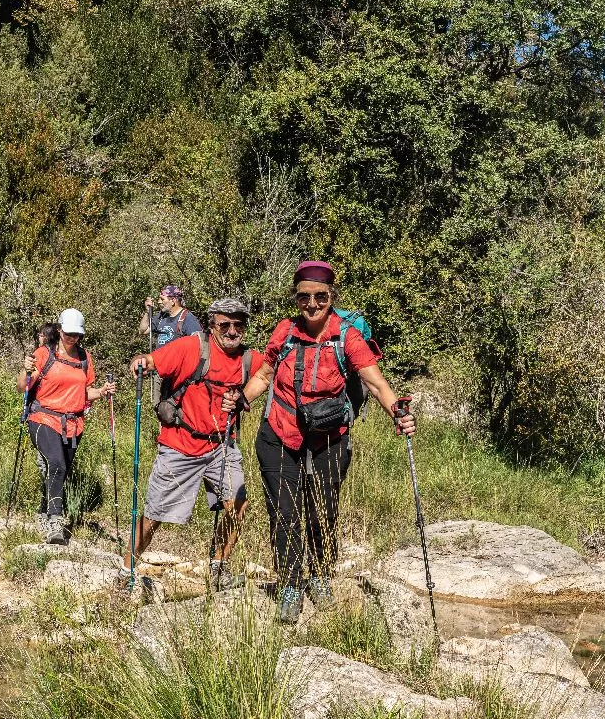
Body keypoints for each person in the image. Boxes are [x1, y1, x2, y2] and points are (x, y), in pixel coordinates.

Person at [225, 261, 415, 623]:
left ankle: (322, 575)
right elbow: (264, 374)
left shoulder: (347, 336)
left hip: (329, 437)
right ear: (295, 298)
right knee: (285, 511)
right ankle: (291, 583)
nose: (312, 304)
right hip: (279, 432)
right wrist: (241, 401)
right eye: (304, 297)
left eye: (320, 297)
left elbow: (375, 383)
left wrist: (398, 413)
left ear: (331, 297)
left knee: (323, 510)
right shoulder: (284, 332)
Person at [123, 297, 255, 593]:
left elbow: (270, 370)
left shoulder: (248, 359)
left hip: (222, 446)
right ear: (212, 325)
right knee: (154, 515)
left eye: (238, 325)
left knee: (237, 503)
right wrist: (140, 362)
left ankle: (218, 568)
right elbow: (153, 359)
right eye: (225, 324)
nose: (232, 331)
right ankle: (127, 567)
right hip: (180, 444)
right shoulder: (192, 347)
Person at [22, 308, 116, 544]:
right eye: (69, 333)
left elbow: (84, 393)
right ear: (60, 330)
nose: (73, 338)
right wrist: (25, 371)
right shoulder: (43, 354)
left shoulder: (84, 358)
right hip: (43, 418)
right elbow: (22, 386)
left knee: (59, 471)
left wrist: (102, 392)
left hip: (73, 424)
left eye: (77, 334)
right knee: (57, 464)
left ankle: (44, 510)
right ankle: (55, 523)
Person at [139, 285, 202, 350]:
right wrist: (147, 312)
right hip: (159, 359)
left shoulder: (188, 318)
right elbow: (143, 331)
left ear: (173, 300)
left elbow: (198, 344)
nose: (159, 302)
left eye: (162, 299)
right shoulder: (161, 316)